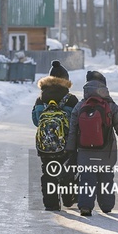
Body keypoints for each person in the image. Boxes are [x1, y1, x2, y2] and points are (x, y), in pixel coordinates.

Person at [65, 70, 118, 217]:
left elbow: (72, 130)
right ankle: (107, 206)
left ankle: (85, 207)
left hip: (84, 151)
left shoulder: (80, 106)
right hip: (106, 151)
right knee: (106, 178)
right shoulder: (111, 106)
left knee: (87, 179)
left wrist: (70, 150)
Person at [32, 60, 79, 211]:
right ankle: (68, 198)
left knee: (49, 172)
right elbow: (76, 120)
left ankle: (51, 204)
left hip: (45, 144)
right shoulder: (71, 99)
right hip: (66, 143)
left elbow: (35, 120)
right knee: (68, 171)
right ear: (66, 80)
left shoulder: (41, 98)